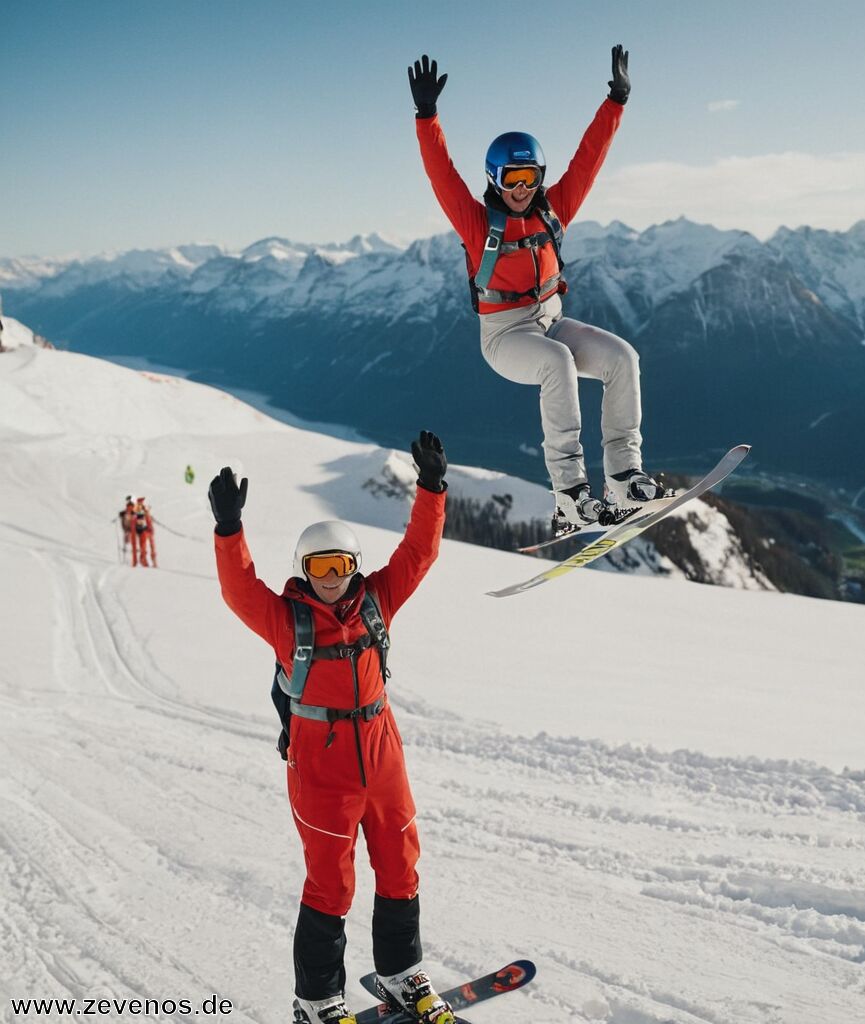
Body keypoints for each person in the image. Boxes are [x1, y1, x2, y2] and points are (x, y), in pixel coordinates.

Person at [208, 432, 454, 1024]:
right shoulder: (286, 620)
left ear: (353, 568)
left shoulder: (377, 601)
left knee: (399, 863)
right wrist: (228, 529)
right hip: (322, 767)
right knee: (331, 884)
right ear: (303, 570)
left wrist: (432, 489)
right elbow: (239, 590)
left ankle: (400, 975)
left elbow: (418, 554)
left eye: (340, 566)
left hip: (382, 752)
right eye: (319, 568)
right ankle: (317, 1001)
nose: (331, 578)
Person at [409, 45, 664, 531]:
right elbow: (442, 176)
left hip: (552, 321)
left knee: (622, 359)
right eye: (512, 178)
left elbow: (589, 160)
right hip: (504, 337)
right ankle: (569, 493)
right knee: (557, 364)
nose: (522, 188)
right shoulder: (477, 223)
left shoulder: (554, 212)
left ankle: (624, 476)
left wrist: (616, 101)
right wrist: (427, 117)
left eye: (530, 177)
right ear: (495, 180)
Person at [133, 497, 157, 568]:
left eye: (142, 502)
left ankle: (153, 561)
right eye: (141, 502)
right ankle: (143, 560)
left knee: (152, 545)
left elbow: (147, 517)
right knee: (143, 546)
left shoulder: (143, 508)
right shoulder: (137, 508)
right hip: (142, 530)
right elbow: (138, 516)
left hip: (148, 529)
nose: (142, 503)